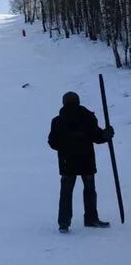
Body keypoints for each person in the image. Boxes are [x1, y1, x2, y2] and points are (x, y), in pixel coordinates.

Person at [48, 91, 114, 233]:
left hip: (69, 161)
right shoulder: (86, 117)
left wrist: (105, 134)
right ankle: (90, 218)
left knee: (67, 192)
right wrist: (105, 134)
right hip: (85, 160)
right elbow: (97, 137)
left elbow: (52, 142)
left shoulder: (59, 121)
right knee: (88, 190)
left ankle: (64, 223)